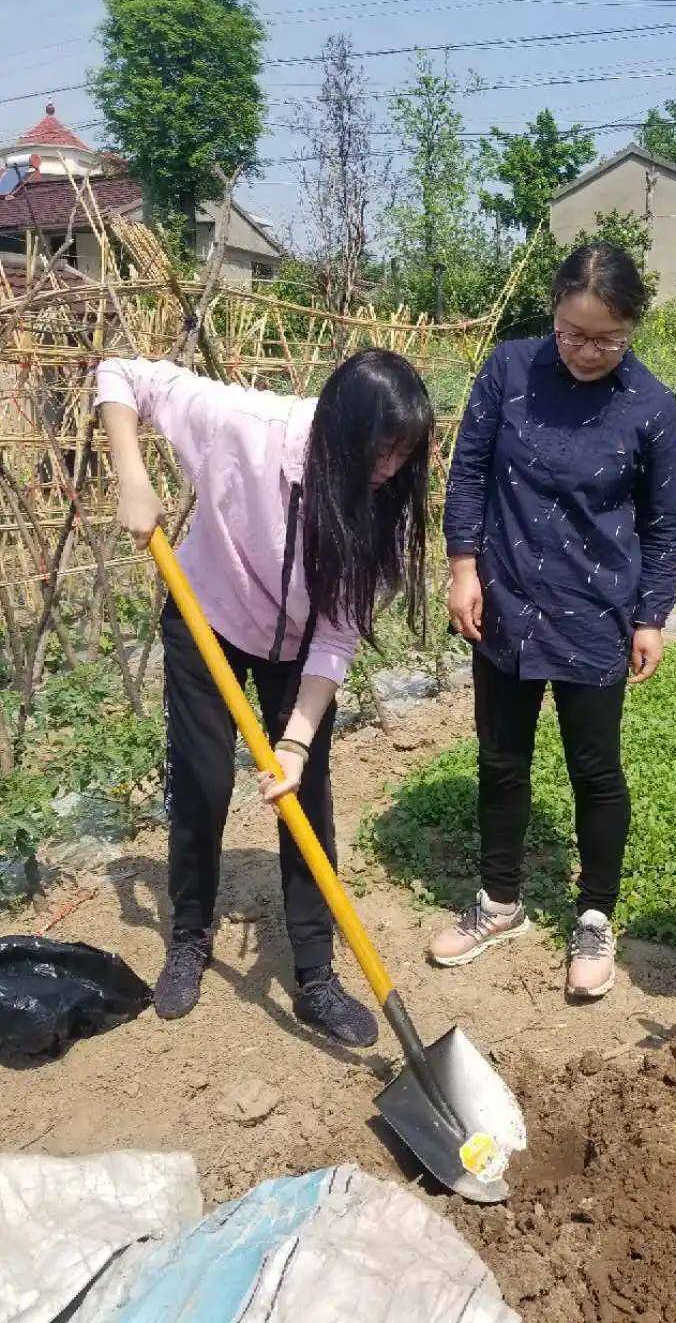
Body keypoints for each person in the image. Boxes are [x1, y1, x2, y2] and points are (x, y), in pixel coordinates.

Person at [97, 349, 433, 1046]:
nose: (391, 471)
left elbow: (338, 635)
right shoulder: (242, 425)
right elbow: (121, 374)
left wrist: (295, 742)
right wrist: (132, 476)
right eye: (380, 452)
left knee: (305, 796)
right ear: (337, 432)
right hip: (206, 617)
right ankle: (190, 938)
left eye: (404, 454)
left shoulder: (384, 504)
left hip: (299, 649)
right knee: (202, 781)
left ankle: (315, 975)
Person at [429, 242, 676, 999]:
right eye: (573, 333)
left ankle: (595, 915)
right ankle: (499, 900)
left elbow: (663, 524)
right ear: (554, 315)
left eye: (607, 338)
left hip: (595, 611)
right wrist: (463, 567)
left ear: (633, 328)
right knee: (501, 759)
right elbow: (468, 468)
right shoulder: (510, 371)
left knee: (594, 770)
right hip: (505, 602)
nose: (586, 351)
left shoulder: (651, 405)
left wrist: (650, 616)